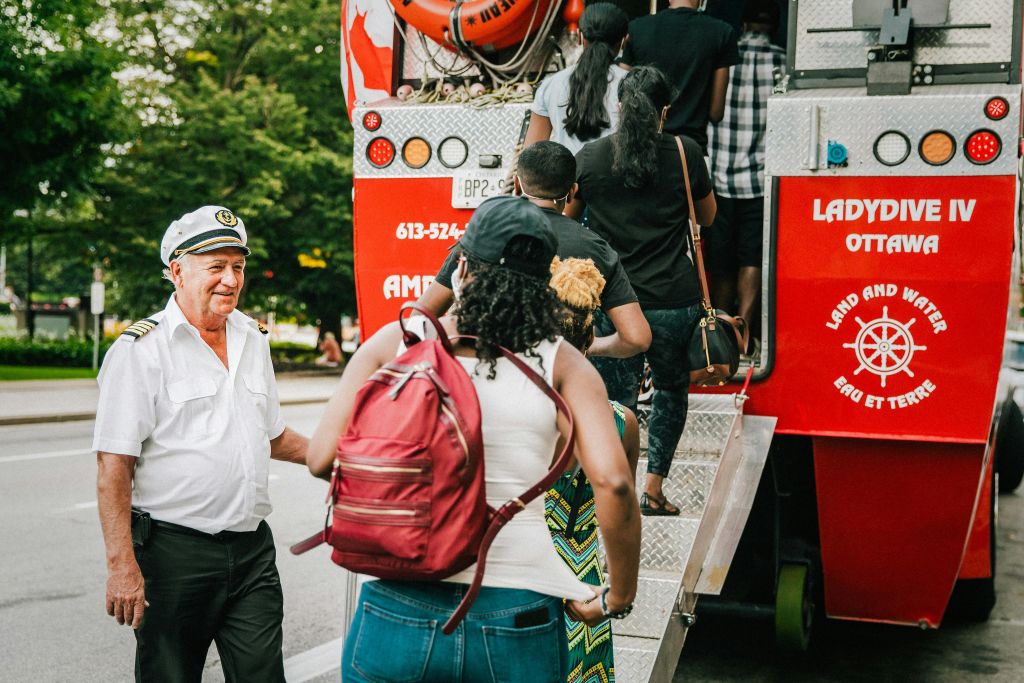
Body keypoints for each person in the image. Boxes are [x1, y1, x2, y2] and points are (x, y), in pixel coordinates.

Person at [308, 196, 641, 682]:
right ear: (543, 282)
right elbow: (613, 483)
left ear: (461, 267)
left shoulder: (395, 343)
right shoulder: (564, 364)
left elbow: (321, 459)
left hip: (397, 606)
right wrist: (617, 597)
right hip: (517, 615)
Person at [93, 205, 310, 683]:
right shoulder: (139, 351)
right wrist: (121, 566)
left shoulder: (253, 337)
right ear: (178, 272)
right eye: (216, 267)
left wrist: (335, 459)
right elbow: (114, 466)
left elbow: (272, 435)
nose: (231, 280)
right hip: (174, 556)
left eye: (238, 266)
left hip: (252, 553)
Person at [567, 66, 717, 516]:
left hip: (614, 301)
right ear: (664, 111)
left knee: (616, 401)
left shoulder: (590, 158)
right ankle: (653, 488)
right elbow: (706, 217)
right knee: (672, 391)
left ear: (619, 106)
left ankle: (618, 492)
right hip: (674, 298)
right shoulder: (685, 152)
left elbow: (570, 221)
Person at [419, 140, 651, 359]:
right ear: (572, 192)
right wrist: (588, 348)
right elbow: (637, 338)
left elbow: (422, 315)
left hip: (487, 364)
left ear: (517, 185)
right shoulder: (596, 248)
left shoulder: (485, 236)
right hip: (559, 381)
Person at [546, 256, 640, 683]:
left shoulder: (527, 418)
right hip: (586, 587)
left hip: (529, 574)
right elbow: (622, 508)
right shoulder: (622, 423)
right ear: (589, 346)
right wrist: (617, 597)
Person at [706, 0, 785, 350]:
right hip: (759, 180)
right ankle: (746, 330)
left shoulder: (722, 62)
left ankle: (721, 328)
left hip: (720, 176)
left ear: (744, 24)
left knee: (721, 257)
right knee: (752, 255)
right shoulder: (784, 63)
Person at [620, 0, 739, 152]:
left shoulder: (636, 28)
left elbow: (623, 94)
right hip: (690, 150)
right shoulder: (722, 33)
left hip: (643, 148)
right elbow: (716, 113)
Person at [523, 2, 630, 153]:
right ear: (624, 41)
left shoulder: (550, 86)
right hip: (617, 176)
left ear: (580, 37)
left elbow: (532, 153)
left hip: (568, 176)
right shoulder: (633, 84)